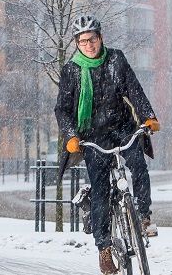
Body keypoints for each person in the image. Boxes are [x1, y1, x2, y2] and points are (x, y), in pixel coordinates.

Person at [55, 15, 160, 274]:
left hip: (122, 125)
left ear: (101, 38)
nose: (88, 45)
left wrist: (148, 116)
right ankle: (103, 248)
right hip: (91, 135)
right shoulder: (72, 70)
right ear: (76, 44)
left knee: (138, 164)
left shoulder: (116, 59)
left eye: (92, 39)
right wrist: (71, 136)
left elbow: (134, 89)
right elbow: (63, 109)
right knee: (101, 191)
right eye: (82, 41)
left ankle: (143, 215)